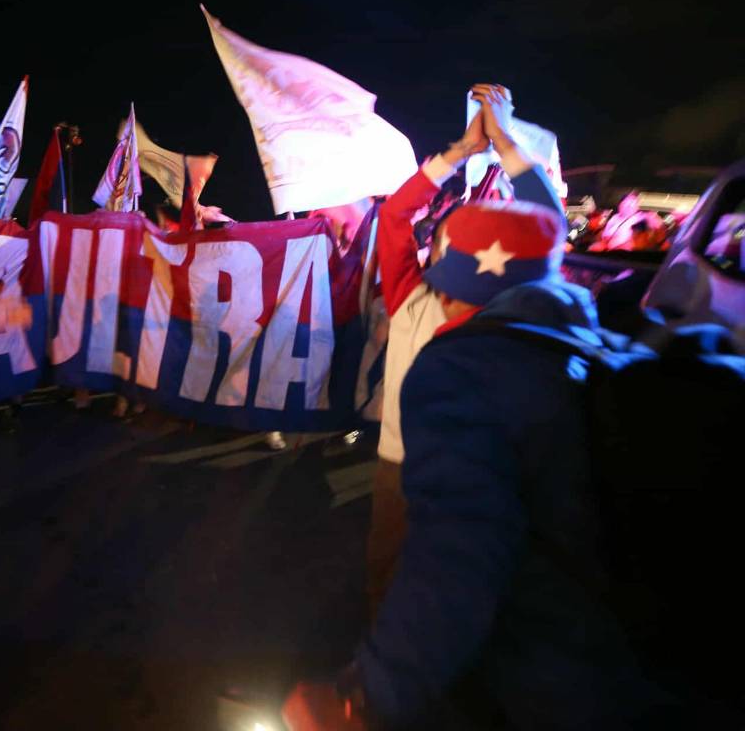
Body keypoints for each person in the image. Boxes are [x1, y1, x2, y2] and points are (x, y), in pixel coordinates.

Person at [284, 186, 664, 729]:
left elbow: (460, 549)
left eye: (451, 282)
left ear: (475, 287)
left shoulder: (467, 365)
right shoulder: (597, 347)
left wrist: (370, 692)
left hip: (542, 677)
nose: (440, 297)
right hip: (626, 670)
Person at [364, 85, 564, 615]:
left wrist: (502, 142)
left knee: (470, 592)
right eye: (444, 244)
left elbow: (549, 226)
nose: (448, 287)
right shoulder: (411, 295)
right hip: (401, 466)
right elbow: (393, 217)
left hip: (480, 475)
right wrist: (463, 152)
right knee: (389, 574)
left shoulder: (518, 311)